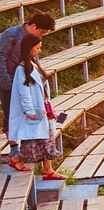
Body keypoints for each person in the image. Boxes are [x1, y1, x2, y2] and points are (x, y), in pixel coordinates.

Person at [9, 37, 63, 180]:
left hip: (42, 107)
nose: (40, 50)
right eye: (37, 48)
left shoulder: (33, 64)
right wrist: (30, 111)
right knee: (34, 142)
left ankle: (48, 169)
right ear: (29, 48)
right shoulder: (22, 69)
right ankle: (17, 159)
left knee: (47, 137)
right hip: (33, 110)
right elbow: (24, 92)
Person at [0, 12, 54, 132]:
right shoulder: (11, 35)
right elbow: (1, 57)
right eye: (41, 32)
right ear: (33, 26)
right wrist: (6, 83)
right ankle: (12, 141)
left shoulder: (32, 39)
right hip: (10, 80)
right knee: (11, 114)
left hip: (25, 79)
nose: (42, 36)